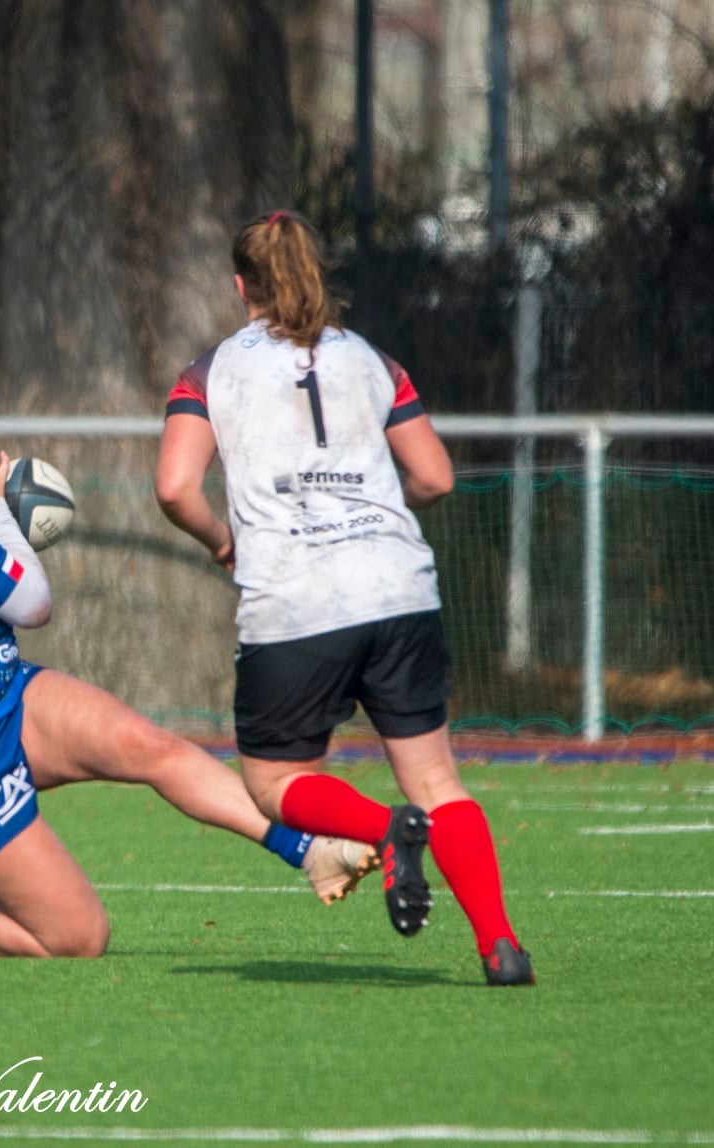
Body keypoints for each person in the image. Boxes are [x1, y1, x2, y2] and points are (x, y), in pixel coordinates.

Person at [0, 378, 377, 959]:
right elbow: (34, 603)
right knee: (77, 936)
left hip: (4, 699)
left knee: (149, 747)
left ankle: (308, 849)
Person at [153, 210, 533, 986]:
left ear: (240, 286)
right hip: (398, 586)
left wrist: (223, 539)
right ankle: (499, 945)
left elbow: (173, 487)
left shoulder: (210, 370)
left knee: (272, 783)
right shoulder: (373, 359)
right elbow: (434, 477)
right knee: (438, 781)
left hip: (294, 599)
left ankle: (387, 835)